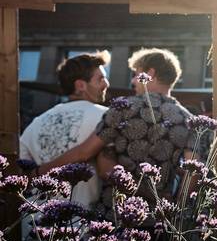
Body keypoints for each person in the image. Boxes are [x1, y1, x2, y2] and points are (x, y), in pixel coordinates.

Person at [39, 48, 199, 211]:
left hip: (115, 213)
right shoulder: (190, 120)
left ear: (150, 73)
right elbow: (193, 173)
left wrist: (39, 172)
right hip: (158, 217)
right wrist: (174, 208)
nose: (133, 81)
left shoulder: (123, 108)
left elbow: (86, 155)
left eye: (136, 74)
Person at [20, 51, 110, 209]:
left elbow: (20, 171)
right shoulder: (106, 116)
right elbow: (108, 171)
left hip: (33, 218)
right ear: (80, 85)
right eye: (100, 79)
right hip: (80, 219)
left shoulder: (36, 123)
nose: (106, 84)